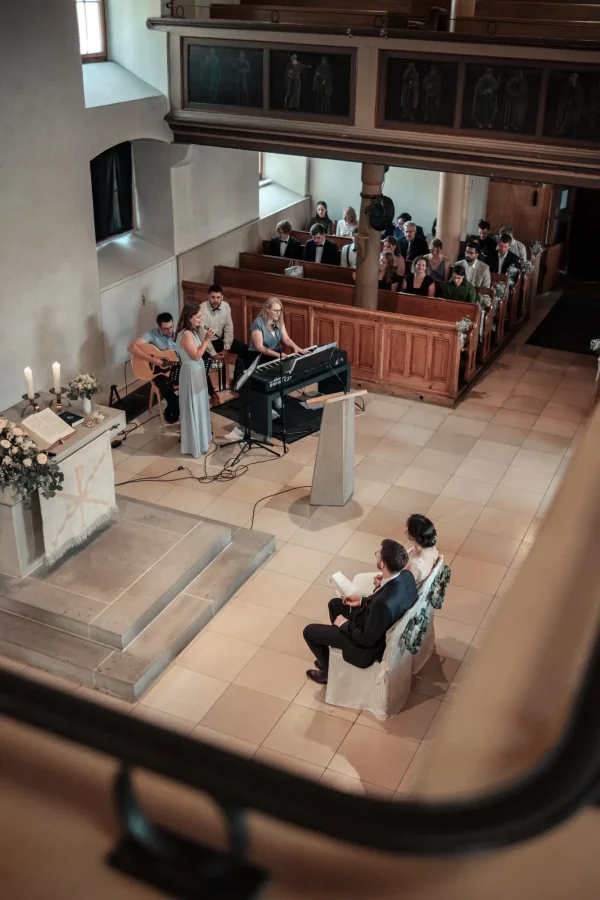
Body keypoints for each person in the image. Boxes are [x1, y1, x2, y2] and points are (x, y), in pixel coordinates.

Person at [302, 540, 417, 684]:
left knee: (309, 632)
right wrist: (363, 600)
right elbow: (391, 597)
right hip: (379, 622)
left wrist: (344, 624)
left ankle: (327, 672)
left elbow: (366, 640)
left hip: (366, 648)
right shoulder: (407, 576)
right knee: (335, 605)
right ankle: (331, 657)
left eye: (378, 555)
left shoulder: (382, 605)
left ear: (383, 565)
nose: (377, 556)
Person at [198, 284, 251, 408]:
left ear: (222, 297)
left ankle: (239, 381)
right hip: (205, 342)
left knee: (246, 350)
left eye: (218, 297)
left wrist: (226, 348)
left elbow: (229, 328)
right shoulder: (201, 310)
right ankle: (212, 394)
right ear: (208, 297)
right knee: (201, 364)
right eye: (213, 297)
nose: (215, 300)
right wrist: (214, 354)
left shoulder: (226, 306)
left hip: (220, 340)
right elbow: (202, 335)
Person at [175, 304, 216, 458]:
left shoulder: (191, 332)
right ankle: (194, 444)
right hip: (191, 372)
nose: (201, 319)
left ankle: (202, 440)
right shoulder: (186, 335)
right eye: (198, 317)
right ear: (189, 318)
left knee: (199, 404)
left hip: (196, 371)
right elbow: (197, 355)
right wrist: (206, 339)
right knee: (193, 405)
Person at [127, 313, 180, 424]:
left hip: (175, 368)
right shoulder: (152, 334)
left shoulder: (178, 334)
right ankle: (175, 404)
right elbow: (131, 347)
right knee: (166, 385)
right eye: (166, 329)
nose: (170, 331)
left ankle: (179, 405)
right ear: (159, 327)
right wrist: (151, 360)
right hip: (157, 373)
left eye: (171, 327)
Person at [249, 297, 308, 361]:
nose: (278, 313)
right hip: (259, 357)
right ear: (267, 309)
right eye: (275, 310)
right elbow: (259, 347)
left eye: (279, 310)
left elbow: (286, 338)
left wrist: (296, 347)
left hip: (274, 355)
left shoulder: (277, 321)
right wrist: (278, 355)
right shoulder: (258, 323)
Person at [404, 514, 440, 586]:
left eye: (406, 527)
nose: (404, 528)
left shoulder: (413, 567)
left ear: (412, 536)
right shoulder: (432, 548)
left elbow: (402, 588)